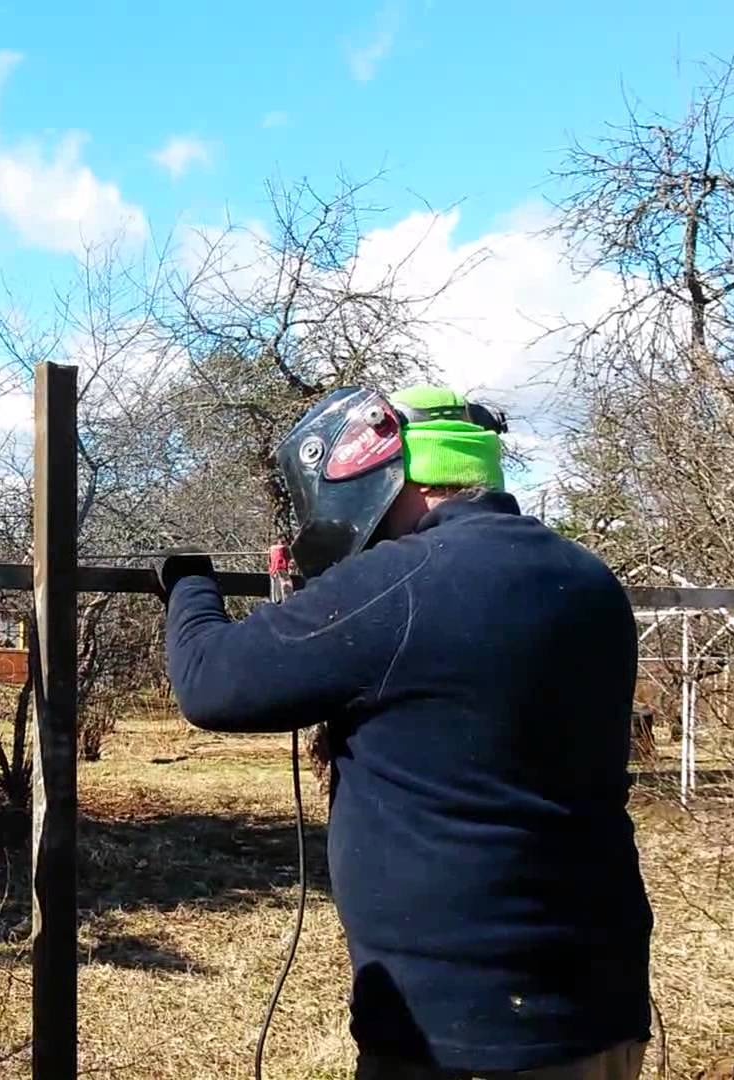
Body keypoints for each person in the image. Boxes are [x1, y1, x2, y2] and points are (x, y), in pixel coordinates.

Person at [157, 386, 651, 1080]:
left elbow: (210, 681)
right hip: (602, 1007)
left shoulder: (399, 581)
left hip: (459, 1030)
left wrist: (188, 586)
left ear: (382, 468)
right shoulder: (587, 578)